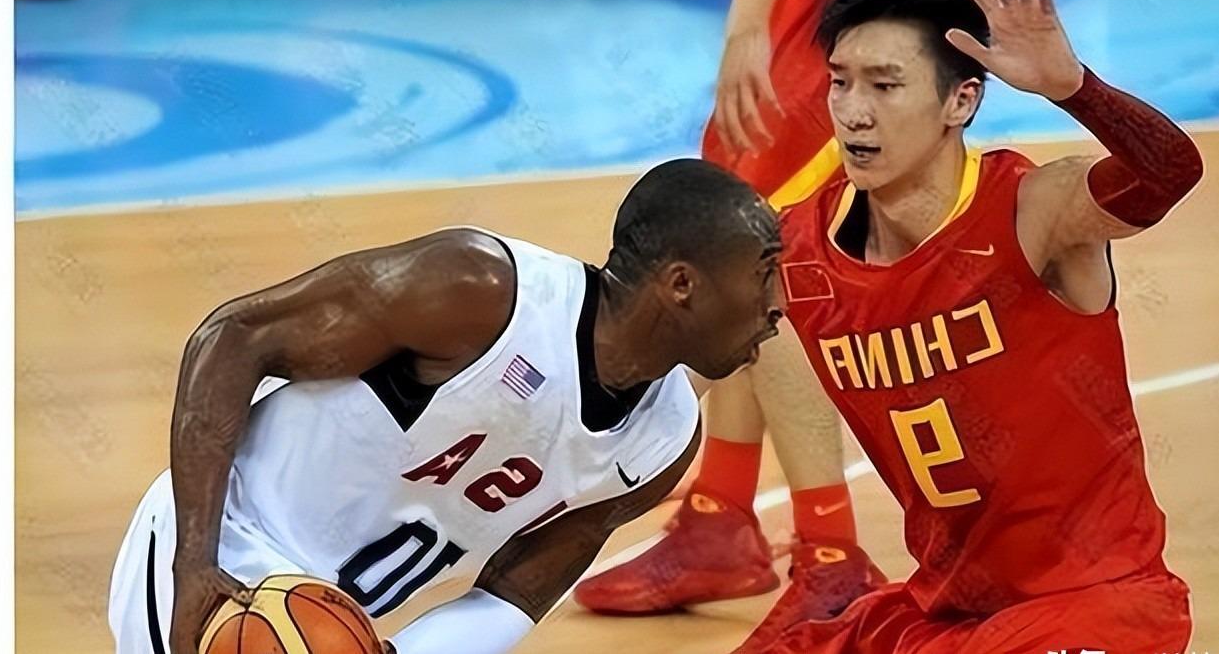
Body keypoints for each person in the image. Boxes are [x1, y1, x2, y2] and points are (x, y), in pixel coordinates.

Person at [107, 159, 788, 654]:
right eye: (763, 274)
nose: (779, 305)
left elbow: (516, 591)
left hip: (337, 623)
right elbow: (234, 337)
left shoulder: (662, 441)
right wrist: (193, 561)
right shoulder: (480, 293)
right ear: (680, 285)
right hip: (226, 561)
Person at [753, 0, 1199, 653]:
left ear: (960, 99)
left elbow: (1168, 173)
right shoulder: (799, 247)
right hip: (943, 613)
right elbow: (681, 336)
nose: (853, 112)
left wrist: (1073, 88)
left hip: (1094, 606)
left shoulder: (1034, 213)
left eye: (884, 85)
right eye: (839, 82)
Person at [576, 0, 991, 654]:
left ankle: (832, 555)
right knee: (745, 232)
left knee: (762, 249)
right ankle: (720, 515)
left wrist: (750, 9)